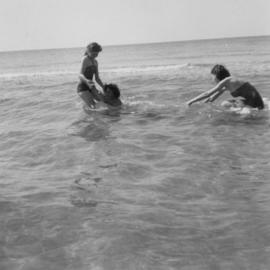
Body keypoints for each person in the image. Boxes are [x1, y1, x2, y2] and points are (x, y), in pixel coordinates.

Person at [187, 64, 264, 110]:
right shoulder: (228, 83)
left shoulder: (227, 80)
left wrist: (190, 102)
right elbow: (212, 98)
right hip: (258, 103)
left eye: (212, 76)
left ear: (217, 75)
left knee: (225, 104)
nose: (212, 79)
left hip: (255, 103)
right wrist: (202, 105)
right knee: (225, 103)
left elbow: (207, 93)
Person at [77, 42, 105, 108]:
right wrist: (86, 81)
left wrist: (104, 87)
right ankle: (92, 117)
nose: (95, 55)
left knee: (104, 100)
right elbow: (80, 75)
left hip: (92, 87)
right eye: (93, 53)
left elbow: (97, 78)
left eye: (97, 53)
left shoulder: (96, 62)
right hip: (83, 87)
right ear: (88, 51)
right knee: (93, 106)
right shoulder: (85, 59)